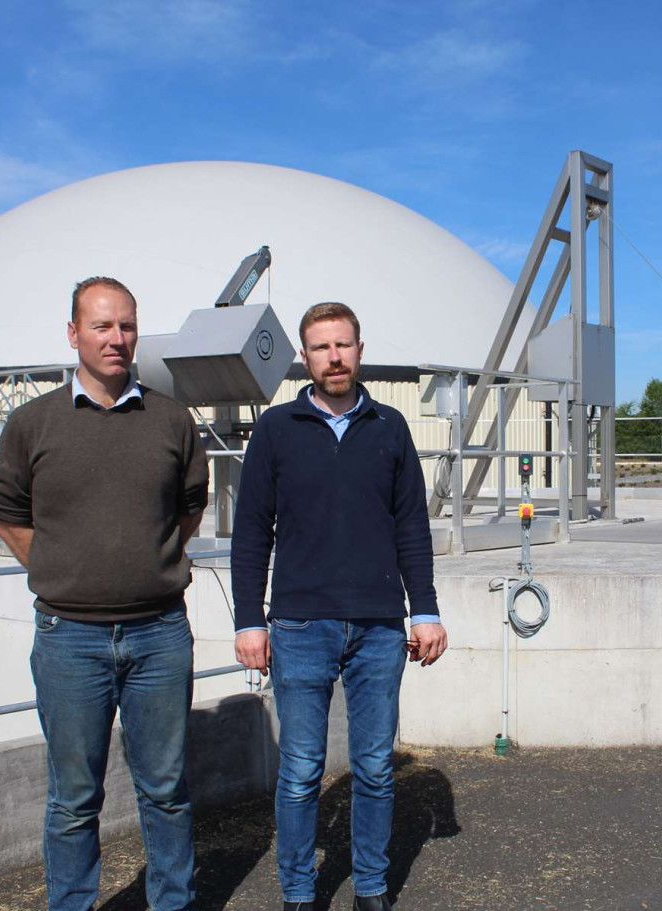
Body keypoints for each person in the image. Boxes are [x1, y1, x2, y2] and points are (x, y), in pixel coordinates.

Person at [0, 276, 209, 911]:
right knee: (73, 798)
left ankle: (173, 902)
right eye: (102, 326)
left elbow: (187, 509)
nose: (117, 339)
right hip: (70, 640)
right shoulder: (33, 424)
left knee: (165, 790)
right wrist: (62, 571)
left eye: (127, 326)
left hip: (159, 634)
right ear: (73, 334)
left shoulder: (170, 420)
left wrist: (148, 561)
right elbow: (9, 515)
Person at [232, 302, 448, 911]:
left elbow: (411, 526)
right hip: (299, 625)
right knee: (301, 770)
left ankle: (372, 888)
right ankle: (299, 893)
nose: (334, 357)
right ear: (304, 355)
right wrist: (250, 619)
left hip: (380, 626)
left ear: (359, 350)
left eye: (344, 345)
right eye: (322, 347)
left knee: (376, 767)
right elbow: (252, 532)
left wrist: (424, 609)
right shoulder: (277, 429)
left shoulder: (390, 426)